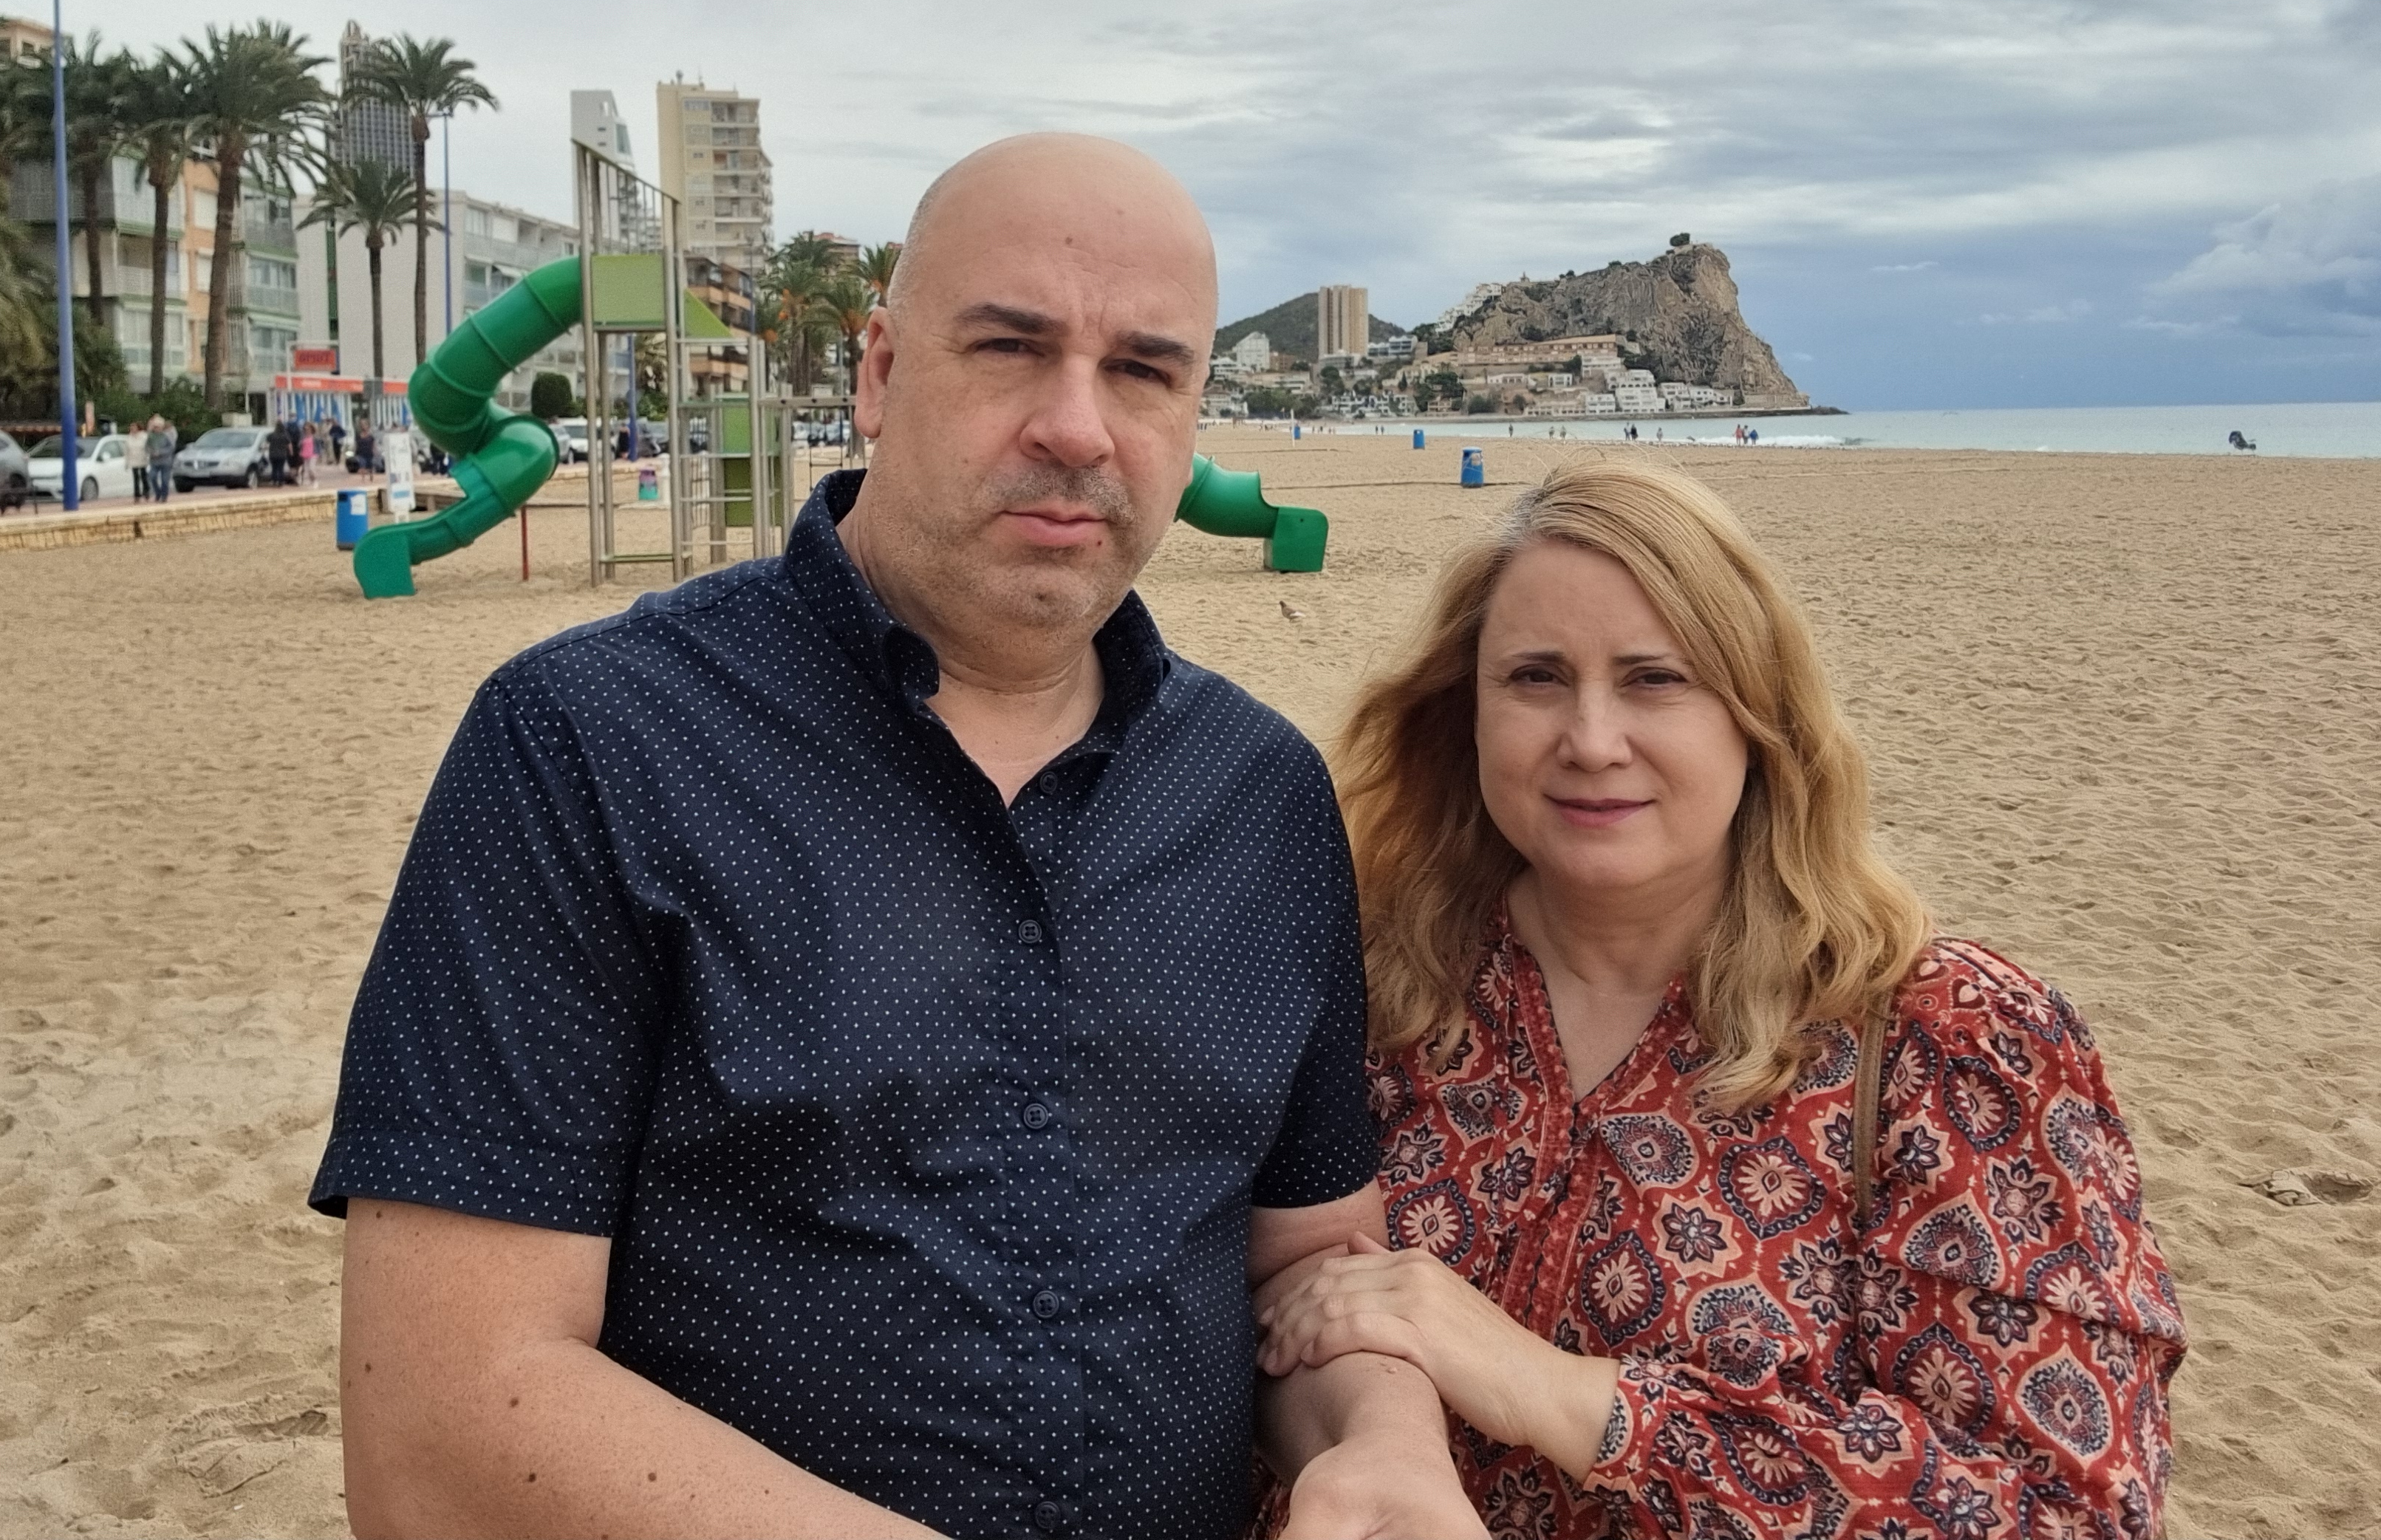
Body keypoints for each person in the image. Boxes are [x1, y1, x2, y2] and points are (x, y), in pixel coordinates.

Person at [315, 134, 1475, 1539]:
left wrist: (1380, 1436)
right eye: (1009, 348)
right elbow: (440, 1425)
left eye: (1142, 371)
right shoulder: (589, 747)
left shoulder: (1263, 795)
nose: (1077, 427)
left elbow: (1308, 1261)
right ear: (876, 373)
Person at [1257, 460, 2181, 1540]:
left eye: (1655, 679)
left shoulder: (1952, 1040)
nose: (1592, 741)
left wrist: (1569, 1397)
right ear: (1465, 712)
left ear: (1758, 714)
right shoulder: (1367, 986)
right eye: (1536, 678)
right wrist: (1376, 1436)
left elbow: (2071, 1509)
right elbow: (1256, 1320)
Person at [146, 414, 177, 503]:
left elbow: (171, 448)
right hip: (154, 462)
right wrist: (152, 452)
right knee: (152, 477)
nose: (157, 429)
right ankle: (157, 493)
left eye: (158, 427)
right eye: (155, 427)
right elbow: (147, 447)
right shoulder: (151, 437)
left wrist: (161, 452)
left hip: (165, 461)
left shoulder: (166, 436)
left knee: (165, 480)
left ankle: (164, 496)